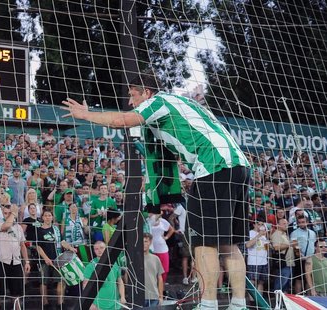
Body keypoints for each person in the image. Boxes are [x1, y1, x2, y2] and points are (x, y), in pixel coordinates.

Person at [63, 72, 250, 309]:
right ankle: (239, 304)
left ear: (148, 93)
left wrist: (85, 114)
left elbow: (124, 120)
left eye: (133, 96)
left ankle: (209, 304)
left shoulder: (158, 102)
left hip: (214, 167)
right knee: (229, 244)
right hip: (240, 166)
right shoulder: (182, 103)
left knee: (205, 243)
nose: (130, 102)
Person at [0, 204, 31, 307]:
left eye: (9, 213)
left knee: (16, 294)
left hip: (16, 262)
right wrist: (13, 213)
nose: (8, 215)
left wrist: (26, 261)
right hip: (1, 262)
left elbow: (22, 245)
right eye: (5, 213)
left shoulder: (18, 227)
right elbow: (6, 226)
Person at [82, 241, 126, 310]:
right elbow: (85, 285)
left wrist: (122, 296)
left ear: (106, 249)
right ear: (94, 251)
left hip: (115, 304)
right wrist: (90, 304)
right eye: (96, 249)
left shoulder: (114, 263)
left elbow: (120, 281)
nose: (99, 250)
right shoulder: (90, 266)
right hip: (99, 305)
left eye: (101, 248)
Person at [290, 215, 317, 292]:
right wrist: (300, 256)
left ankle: (310, 297)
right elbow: (294, 246)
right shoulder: (295, 233)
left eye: (303, 222)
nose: (301, 224)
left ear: (307, 222)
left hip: (311, 258)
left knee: (310, 278)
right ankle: (298, 297)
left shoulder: (312, 233)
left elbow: (314, 244)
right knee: (299, 279)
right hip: (300, 258)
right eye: (300, 222)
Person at [245, 218, 270, 295]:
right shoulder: (250, 233)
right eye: (259, 224)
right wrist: (259, 235)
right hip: (253, 262)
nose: (261, 226)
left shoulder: (263, 235)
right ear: (254, 225)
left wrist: (267, 241)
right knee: (253, 282)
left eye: (262, 224)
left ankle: (260, 303)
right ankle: (252, 303)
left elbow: (266, 249)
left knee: (261, 283)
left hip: (264, 262)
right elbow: (247, 245)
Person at [271, 218, 295, 292]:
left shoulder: (284, 234)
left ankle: (283, 302)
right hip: (283, 263)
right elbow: (276, 247)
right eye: (284, 223)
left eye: (287, 223)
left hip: (289, 263)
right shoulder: (276, 234)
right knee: (280, 285)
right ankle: (277, 301)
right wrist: (290, 244)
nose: (286, 225)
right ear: (278, 225)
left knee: (286, 286)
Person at [143, 233, 165, 307]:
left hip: (154, 297)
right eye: (142, 241)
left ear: (150, 242)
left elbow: (160, 278)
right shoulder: (134, 259)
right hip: (139, 297)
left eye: (146, 241)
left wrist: (161, 296)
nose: (144, 244)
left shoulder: (156, 258)